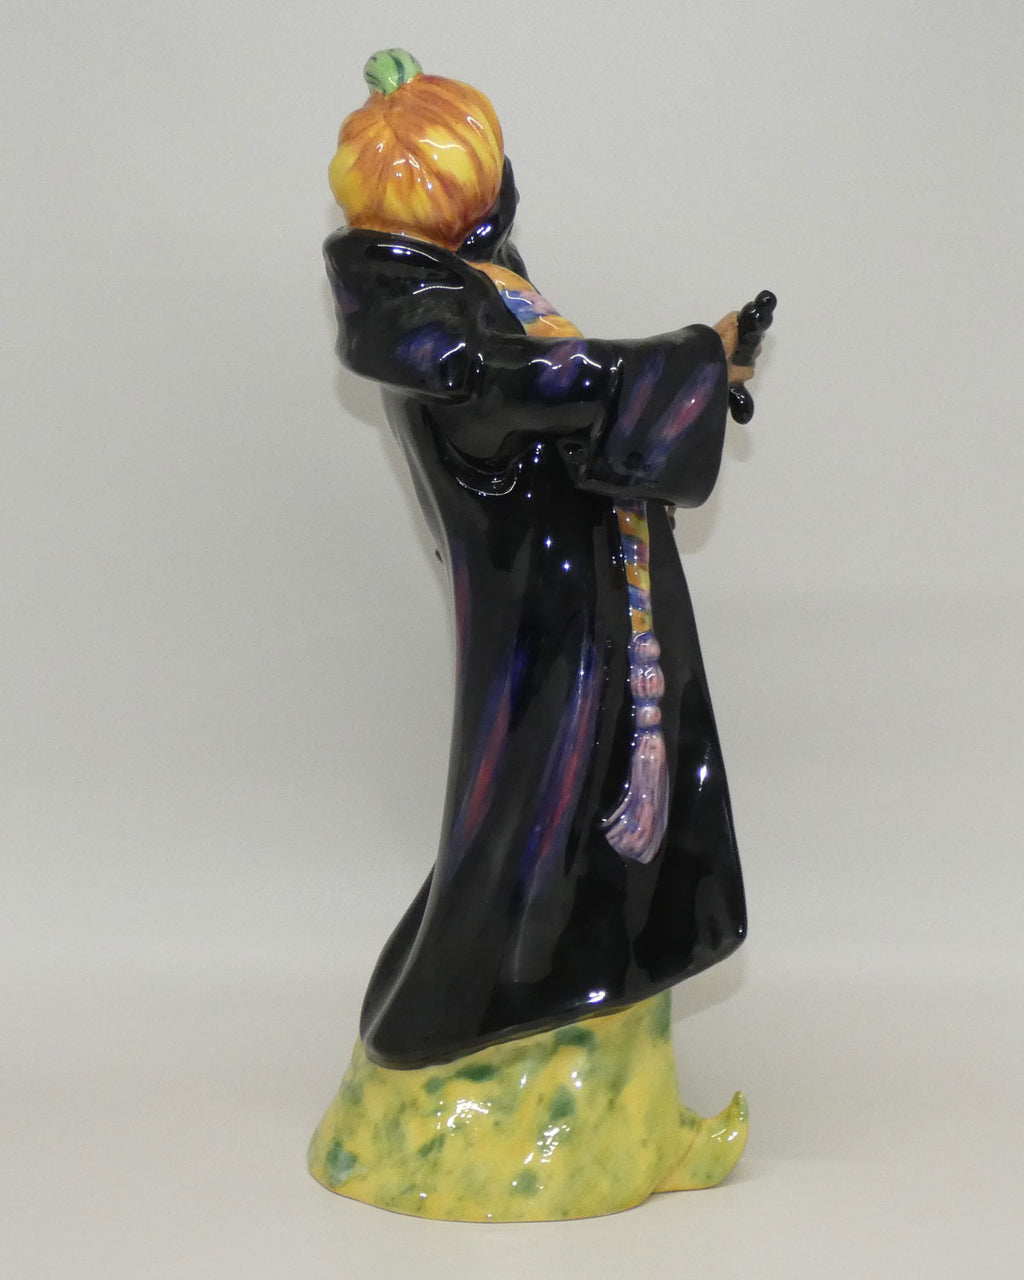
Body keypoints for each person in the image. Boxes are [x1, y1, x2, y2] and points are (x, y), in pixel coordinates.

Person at [324, 49, 773, 1071]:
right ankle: (477, 1018)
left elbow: (570, 384)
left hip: (579, 589)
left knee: (562, 794)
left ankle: (566, 983)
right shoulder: (437, 339)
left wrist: (695, 365)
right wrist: (696, 360)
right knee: (536, 801)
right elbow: (546, 383)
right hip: (539, 607)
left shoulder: (476, 291)